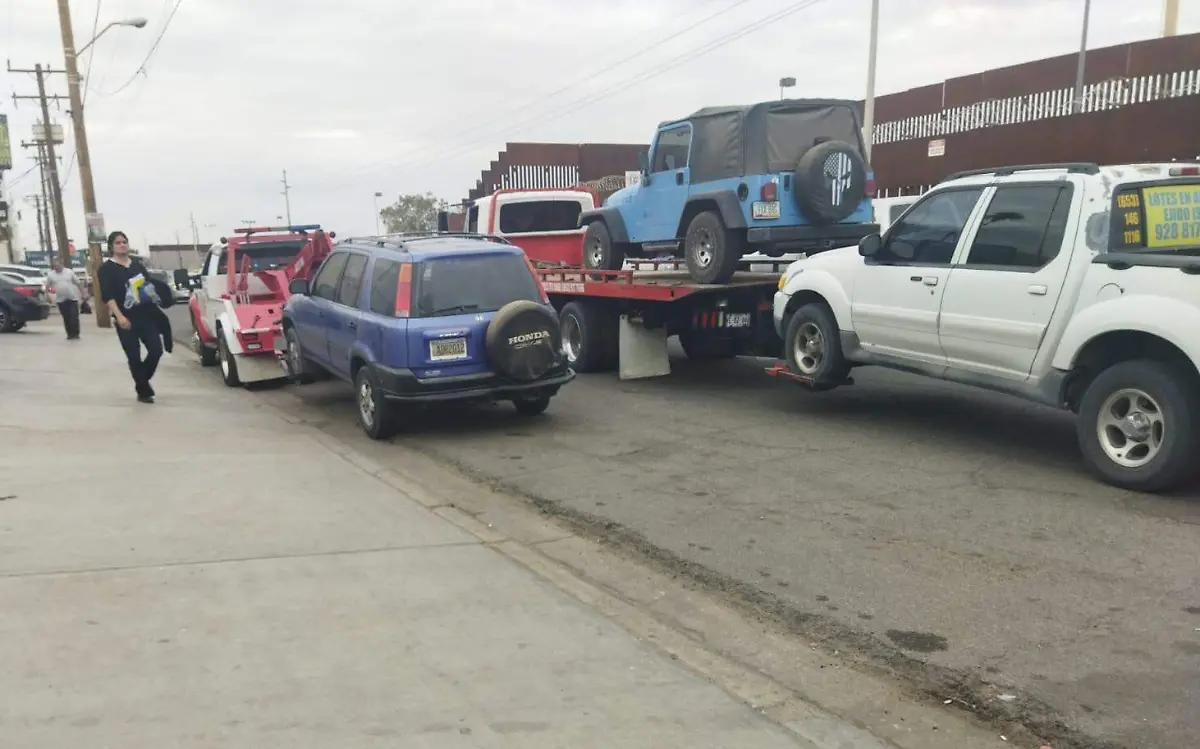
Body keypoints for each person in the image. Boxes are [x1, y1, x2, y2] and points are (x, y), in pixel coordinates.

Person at [98, 231, 164, 403]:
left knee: (156, 350)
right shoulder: (106, 269)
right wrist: (119, 316)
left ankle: (141, 383)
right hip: (125, 318)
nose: (122, 245)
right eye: (118, 242)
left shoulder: (137, 265)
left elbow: (148, 286)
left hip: (145, 315)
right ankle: (144, 392)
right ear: (111, 246)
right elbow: (107, 295)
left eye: (124, 242)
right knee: (133, 356)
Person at [44, 258, 83, 340]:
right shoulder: (51, 275)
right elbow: (47, 286)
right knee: (66, 317)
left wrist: (83, 293)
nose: (56, 267)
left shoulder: (69, 272)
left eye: (58, 265)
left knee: (74, 316)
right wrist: (46, 295)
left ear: (62, 264)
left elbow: (78, 283)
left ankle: (76, 333)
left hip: (72, 298)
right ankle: (69, 334)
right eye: (55, 266)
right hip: (61, 299)